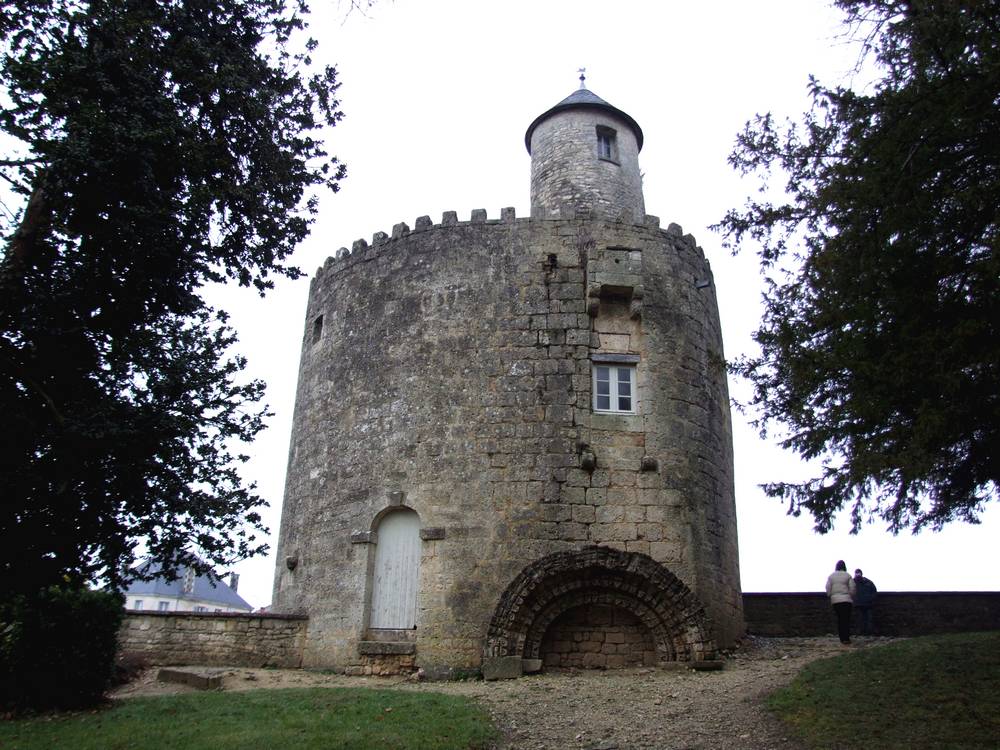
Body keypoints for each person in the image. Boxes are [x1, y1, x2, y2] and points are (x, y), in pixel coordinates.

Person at [825, 560, 856, 645]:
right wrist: (850, 595)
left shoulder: (831, 576)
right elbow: (852, 587)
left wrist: (831, 595)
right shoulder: (848, 575)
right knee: (846, 619)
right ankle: (846, 638)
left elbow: (828, 588)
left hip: (836, 601)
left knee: (840, 619)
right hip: (846, 600)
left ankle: (842, 638)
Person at [853, 568, 878, 636]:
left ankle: (867, 632)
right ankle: (862, 632)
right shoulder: (867, 582)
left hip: (866, 604)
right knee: (861, 619)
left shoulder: (854, 582)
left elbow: (874, 592)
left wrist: (870, 599)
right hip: (861, 604)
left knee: (866, 619)